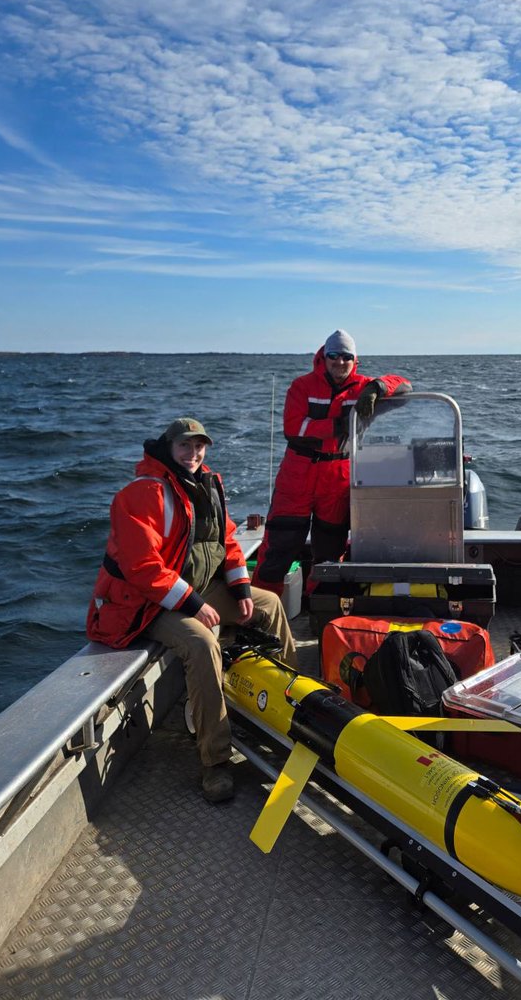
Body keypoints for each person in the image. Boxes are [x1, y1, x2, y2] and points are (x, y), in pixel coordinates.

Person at [87, 417, 298, 804]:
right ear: (168, 447)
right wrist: (195, 604)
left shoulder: (207, 484)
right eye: (185, 446)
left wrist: (240, 587)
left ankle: (288, 714)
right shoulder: (140, 494)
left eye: (199, 446)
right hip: (142, 605)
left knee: (269, 605)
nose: (193, 453)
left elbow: (228, 540)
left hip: (189, 591)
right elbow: (142, 568)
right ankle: (215, 760)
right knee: (201, 644)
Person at [252, 329, 411, 596]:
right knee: (279, 547)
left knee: (330, 552)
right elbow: (294, 428)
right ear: (323, 357)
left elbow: (405, 386)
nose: (340, 362)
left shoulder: (363, 387)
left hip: (336, 479)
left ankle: (321, 610)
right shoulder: (302, 386)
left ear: (355, 359)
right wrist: (340, 424)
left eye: (346, 356)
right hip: (297, 476)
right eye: (334, 355)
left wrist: (377, 387)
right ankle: (261, 611)